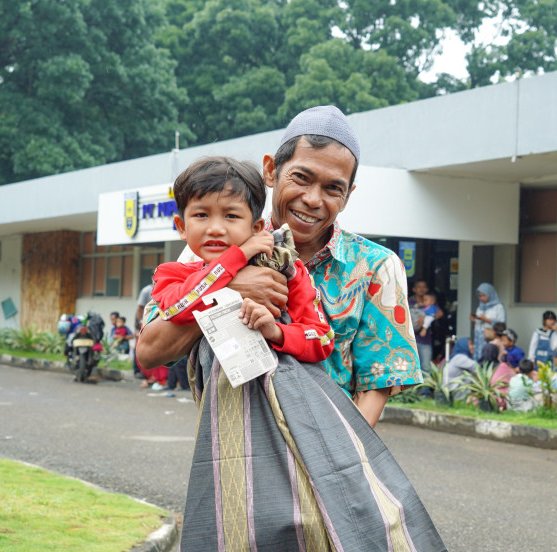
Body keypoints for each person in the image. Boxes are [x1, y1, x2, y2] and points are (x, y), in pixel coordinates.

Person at [138, 106, 443, 551]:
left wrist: (331, 469)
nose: (314, 199)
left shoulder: (375, 267)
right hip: (236, 458)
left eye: (333, 188)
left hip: (330, 462)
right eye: (301, 178)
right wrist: (231, 284)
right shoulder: (205, 254)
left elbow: (378, 385)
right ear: (270, 170)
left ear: (349, 194)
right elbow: (150, 351)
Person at [150, 156, 334, 364]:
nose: (215, 229)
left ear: (256, 228)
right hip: (215, 397)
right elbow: (177, 310)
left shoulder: (284, 269)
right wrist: (237, 258)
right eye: (201, 215)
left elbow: (323, 339)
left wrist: (277, 332)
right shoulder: (172, 275)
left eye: (231, 216)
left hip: (282, 395)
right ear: (182, 227)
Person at [410, 280, 443, 372]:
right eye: (419, 286)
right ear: (414, 289)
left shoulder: (430, 302)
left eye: (423, 287)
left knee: (426, 368)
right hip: (411, 339)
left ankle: (425, 387)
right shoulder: (409, 301)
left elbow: (440, 313)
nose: (421, 289)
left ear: (427, 289)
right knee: (412, 368)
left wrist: (425, 319)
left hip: (426, 340)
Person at [470, 282, 506, 362]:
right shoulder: (480, 307)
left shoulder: (498, 307)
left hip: (490, 337)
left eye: (484, 295)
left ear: (490, 294)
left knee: (489, 357)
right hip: (479, 337)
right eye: (480, 296)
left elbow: (502, 324)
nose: (481, 298)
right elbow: (477, 324)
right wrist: (474, 321)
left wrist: (487, 320)